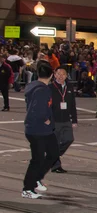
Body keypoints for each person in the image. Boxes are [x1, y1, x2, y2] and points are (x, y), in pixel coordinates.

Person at [22, 61, 58, 199]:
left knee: (53, 152)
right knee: (37, 159)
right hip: (37, 129)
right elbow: (37, 109)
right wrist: (45, 118)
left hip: (43, 130)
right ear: (51, 75)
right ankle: (27, 188)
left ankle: (36, 178)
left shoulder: (34, 86)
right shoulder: (42, 89)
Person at [50, 66, 78, 174]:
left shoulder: (69, 87)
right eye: (59, 74)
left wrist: (74, 120)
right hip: (55, 119)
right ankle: (56, 166)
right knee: (55, 143)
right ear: (55, 75)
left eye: (63, 74)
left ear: (66, 76)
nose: (61, 76)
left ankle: (52, 155)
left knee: (69, 139)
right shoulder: (50, 87)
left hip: (66, 119)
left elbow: (73, 105)